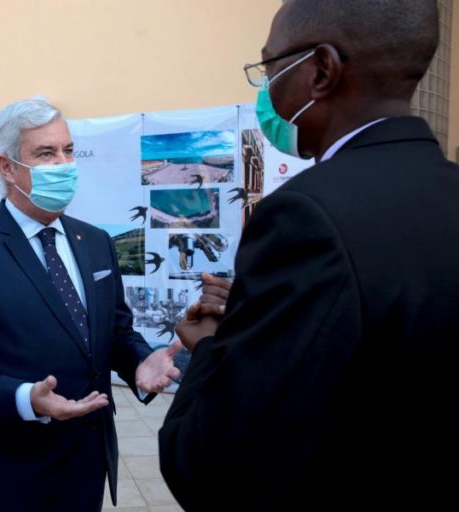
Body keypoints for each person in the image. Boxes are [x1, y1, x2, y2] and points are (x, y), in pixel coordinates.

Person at [159, 1, 459, 510]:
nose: (266, 90)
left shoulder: (305, 215)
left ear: (321, 71)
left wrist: (213, 346)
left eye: (270, 68)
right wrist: (264, 317)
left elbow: (215, 465)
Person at [0, 98, 181, 512]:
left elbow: (115, 331)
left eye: (68, 150)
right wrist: (27, 399)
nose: (63, 163)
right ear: (6, 167)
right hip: (14, 473)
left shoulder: (96, 241)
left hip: (88, 461)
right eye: (46, 153)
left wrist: (137, 362)